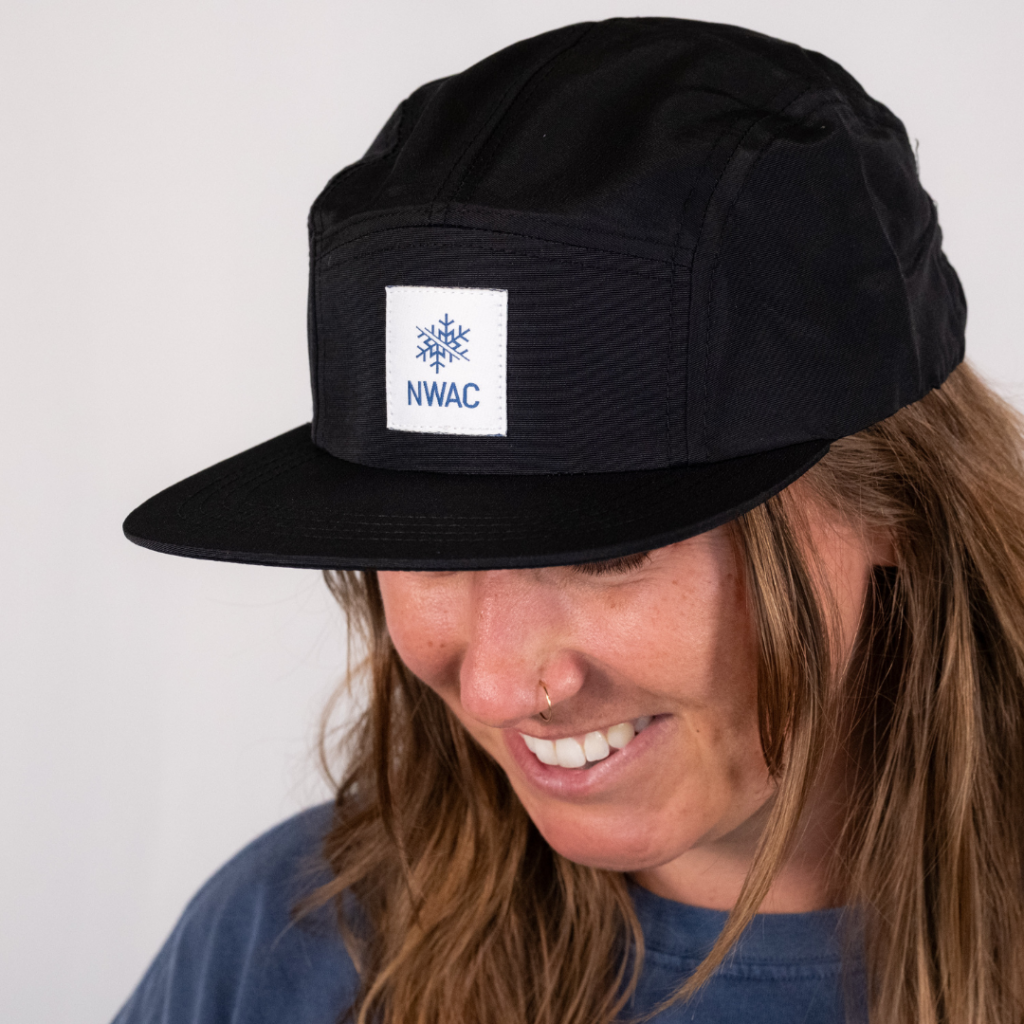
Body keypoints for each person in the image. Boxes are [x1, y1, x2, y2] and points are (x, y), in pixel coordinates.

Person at [113, 17, 1024, 1024]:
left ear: (895, 501)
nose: (500, 688)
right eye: (429, 550)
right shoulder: (282, 954)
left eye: (604, 551)